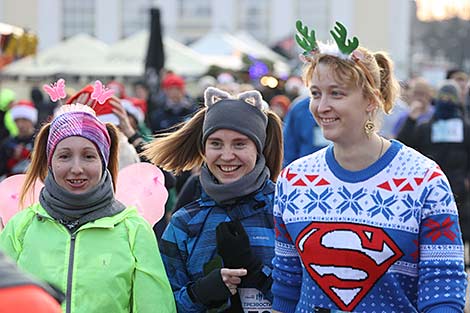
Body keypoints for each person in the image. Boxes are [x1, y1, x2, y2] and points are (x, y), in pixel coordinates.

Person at [271, 21, 467, 313]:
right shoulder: (294, 180)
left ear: (370, 100)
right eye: (315, 93)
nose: (322, 106)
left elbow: (443, 289)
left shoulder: (424, 180)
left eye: (336, 93)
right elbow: (286, 287)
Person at [0, 103, 176, 313]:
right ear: (50, 162)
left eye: (89, 156)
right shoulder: (20, 227)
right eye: (64, 156)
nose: (76, 168)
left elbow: (155, 307)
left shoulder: (133, 230)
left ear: (104, 160)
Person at [142, 86, 284, 312]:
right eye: (216, 143)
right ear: (204, 149)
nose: (227, 156)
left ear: (258, 148)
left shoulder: (285, 210)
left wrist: (258, 274)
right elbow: (160, 303)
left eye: (240, 144)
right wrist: (200, 292)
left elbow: (309, 295)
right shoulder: (185, 222)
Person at [397, 80, 470, 267]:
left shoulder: (466, 128)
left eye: (450, 97)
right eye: (443, 96)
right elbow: (404, 147)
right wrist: (412, 119)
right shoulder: (426, 128)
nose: (447, 100)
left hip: (459, 187)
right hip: (430, 187)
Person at [0, 100, 38, 179]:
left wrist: (29, 155)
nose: (20, 124)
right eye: (17, 120)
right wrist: (13, 159)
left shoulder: (40, 140)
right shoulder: (8, 143)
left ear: (31, 120)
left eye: (24, 120)